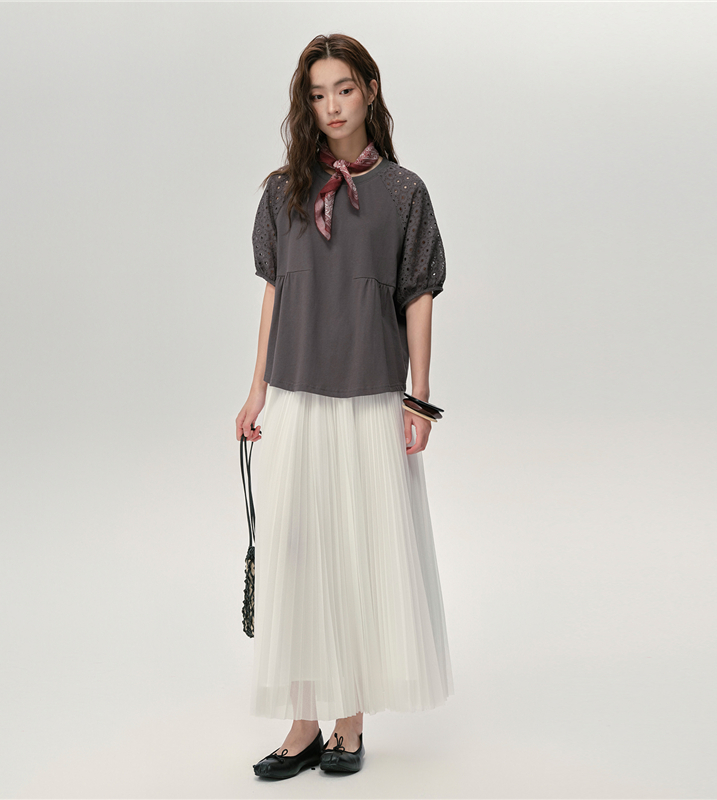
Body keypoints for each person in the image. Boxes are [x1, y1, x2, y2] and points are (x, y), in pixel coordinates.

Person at [235, 32, 454, 780]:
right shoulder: (282, 191)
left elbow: (419, 294)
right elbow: (275, 292)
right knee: (299, 553)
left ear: (369, 91)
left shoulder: (404, 192)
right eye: (318, 93)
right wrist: (257, 387)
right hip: (297, 392)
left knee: (359, 553)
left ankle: (349, 721)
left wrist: (420, 397)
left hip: (369, 395)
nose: (332, 105)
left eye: (345, 89)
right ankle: (303, 724)